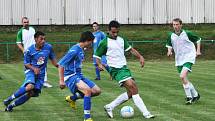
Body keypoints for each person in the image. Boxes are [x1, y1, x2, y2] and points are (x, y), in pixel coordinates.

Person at [94, 20, 155, 119]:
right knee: (133, 86)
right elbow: (97, 55)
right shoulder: (104, 42)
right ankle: (146, 113)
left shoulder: (121, 40)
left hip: (124, 68)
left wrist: (140, 57)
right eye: (113, 32)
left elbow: (131, 49)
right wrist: (99, 64)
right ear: (108, 31)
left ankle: (109, 107)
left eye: (117, 32)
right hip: (115, 69)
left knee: (131, 93)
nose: (115, 34)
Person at [3, 31, 59, 112]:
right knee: (30, 86)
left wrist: (59, 66)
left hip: (41, 75)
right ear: (35, 39)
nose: (43, 41)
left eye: (44, 39)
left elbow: (53, 60)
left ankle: (11, 106)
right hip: (30, 71)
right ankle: (9, 99)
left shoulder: (48, 47)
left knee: (31, 94)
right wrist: (34, 69)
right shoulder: (29, 50)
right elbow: (26, 64)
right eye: (41, 39)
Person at [58, 31, 101, 121]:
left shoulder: (81, 49)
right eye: (91, 42)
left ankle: (72, 98)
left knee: (97, 91)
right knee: (88, 91)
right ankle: (87, 117)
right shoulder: (74, 50)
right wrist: (61, 81)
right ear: (87, 41)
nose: (92, 44)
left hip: (79, 76)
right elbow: (61, 64)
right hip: (71, 76)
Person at [166, 18, 201, 104]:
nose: (175, 26)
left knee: (182, 76)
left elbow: (198, 39)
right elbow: (169, 45)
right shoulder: (171, 35)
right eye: (174, 24)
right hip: (179, 59)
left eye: (177, 24)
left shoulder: (187, 33)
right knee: (184, 79)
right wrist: (169, 51)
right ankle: (196, 95)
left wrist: (198, 51)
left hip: (189, 57)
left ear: (181, 25)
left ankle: (189, 98)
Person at [16, 17, 53, 88]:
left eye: (27, 22)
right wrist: (23, 50)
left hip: (38, 50)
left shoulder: (32, 29)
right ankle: (29, 81)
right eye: (24, 22)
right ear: (22, 23)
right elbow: (18, 43)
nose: (26, 23)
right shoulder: (20, 32)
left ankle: (44, 82)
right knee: (29, 67)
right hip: (29, 52)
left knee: (42, 65)